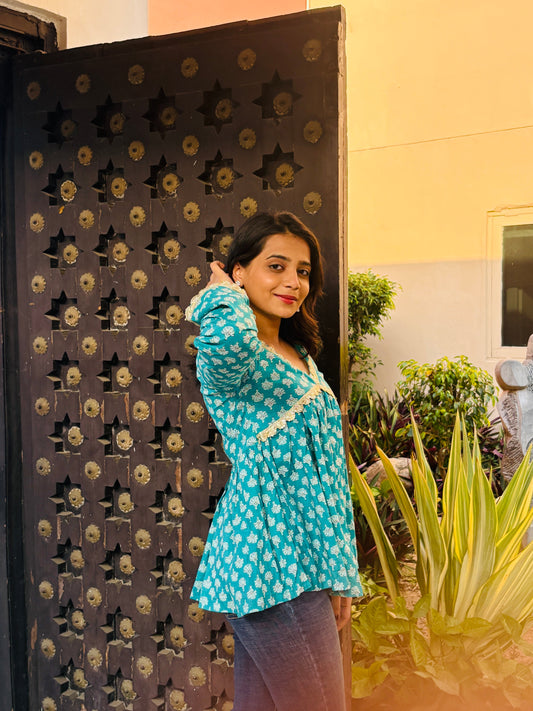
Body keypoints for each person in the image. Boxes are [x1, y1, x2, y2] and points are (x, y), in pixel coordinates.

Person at [185, 211, 362, 711]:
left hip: (304, 566)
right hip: (267, 565)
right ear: (240, 270)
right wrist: (223, 293)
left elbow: (328, 475)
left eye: (302, 271)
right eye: (276, 266)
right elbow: (228, 338)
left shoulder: (298, 354)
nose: (293, 282)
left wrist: (339, 573)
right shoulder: (231, 357)